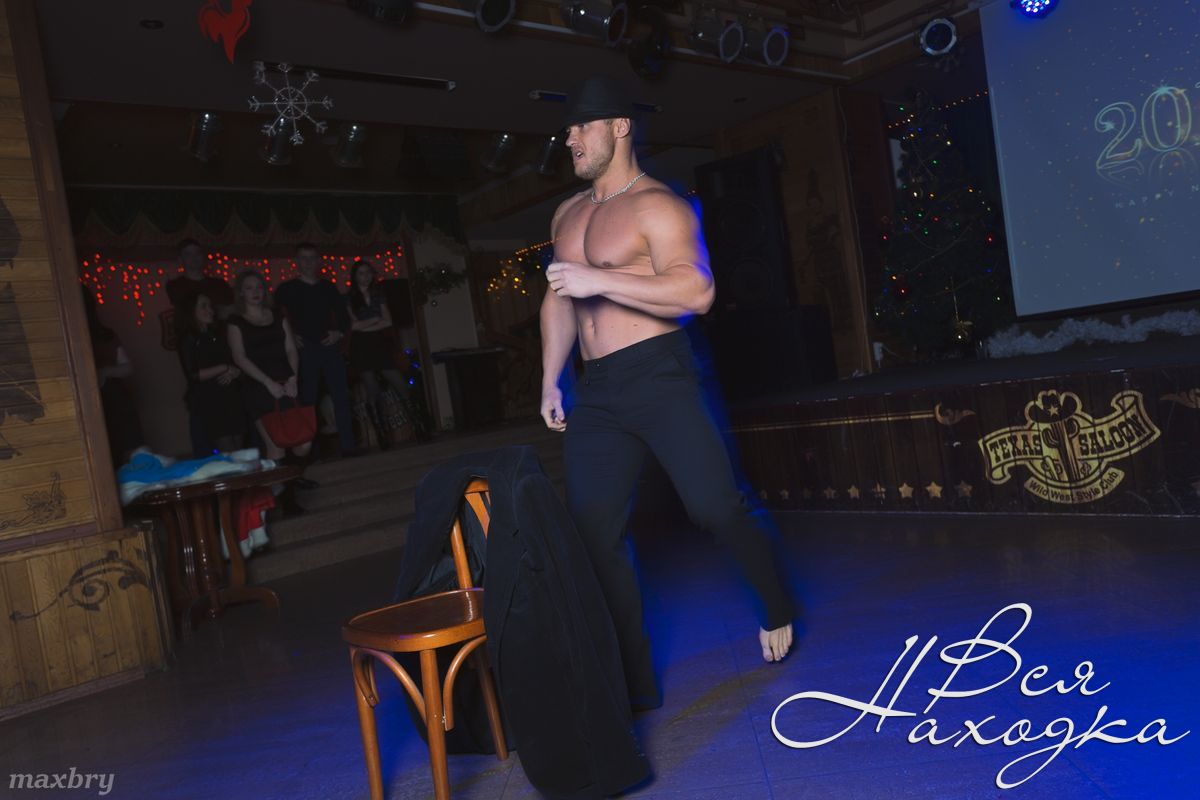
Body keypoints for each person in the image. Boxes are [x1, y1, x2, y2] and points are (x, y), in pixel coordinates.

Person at [539, 76, 795, 710]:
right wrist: (550, 378)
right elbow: (558, 300)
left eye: (581, 126)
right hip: (597, 390)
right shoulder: (566, 214)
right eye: (568, 129)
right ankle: (632, 684)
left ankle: (775, 603)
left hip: (661, 376)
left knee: (716, 507)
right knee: (592, 533)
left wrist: (597, 278)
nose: (569, 138)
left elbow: (696, 291)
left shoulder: (659, 206)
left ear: (619, 127)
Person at [274, 243, 360, 457]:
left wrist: (338, 333)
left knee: (340, 396)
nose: (308, 262)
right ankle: (311, 452)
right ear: (297, 261)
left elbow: (344, 318)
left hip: (328, 347)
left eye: (312, 258)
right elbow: (276, 318)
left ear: (319, 261)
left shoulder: (328, 288)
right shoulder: (286, 289)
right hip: (304, 350)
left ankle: (348, 446)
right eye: (304, 258)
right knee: (307, 399)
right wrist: (290, 335)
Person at [226, 269, 311, 464]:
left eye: (259, 287)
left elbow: (291, 349)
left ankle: (293, 475)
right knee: (275, 444)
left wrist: (293, 378)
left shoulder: (277, 314)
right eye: (249, 288)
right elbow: (239, 357)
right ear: (241, 292)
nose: (255, 292)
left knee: (303, 441)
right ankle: (282, 482)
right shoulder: (235, 321)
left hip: (287, 381)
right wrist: (268, 382)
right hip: (259, 386)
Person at [166, 239, 234, 456]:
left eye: (197, 253)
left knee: (233, 430)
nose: (194, 258)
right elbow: (194, 373)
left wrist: (230, 368)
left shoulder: (218, 285)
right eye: (188, 254)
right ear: (180, 259)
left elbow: (230, 311)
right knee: (210, 429)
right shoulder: (176, 287)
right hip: (205, 384)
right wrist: (225, 367)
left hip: (222, 351)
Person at [346, 260, 410, 450]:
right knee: (372, 390)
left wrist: (366, 325)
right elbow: (353, 325)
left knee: (400, 384)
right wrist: (375, 319)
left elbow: (388, 321)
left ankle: (420, 424)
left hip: (379, 344)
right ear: (354, 276)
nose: (365, 276)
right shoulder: (348, 297)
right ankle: (382, 434)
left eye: (368, 272)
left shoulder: (378, 294)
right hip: (361, 346)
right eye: (361, 273)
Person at [176, 292, 246, 454]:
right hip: (211, 401)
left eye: (210, 306)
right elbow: (193, 374)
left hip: (232, 396)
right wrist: (224, 367)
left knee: (241, 451)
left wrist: (234, 371)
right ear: (191, 311)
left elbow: (236, 361)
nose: (210, 310)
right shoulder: (189, 338)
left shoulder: (218, 333)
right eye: (203, 306)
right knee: (228, 452)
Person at [83, 290, 145, 466]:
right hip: (92, 405)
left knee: (128, 449)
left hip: (115, 401)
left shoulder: (105, 335)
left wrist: (104, 372)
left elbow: (128, 367)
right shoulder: (72, 338)